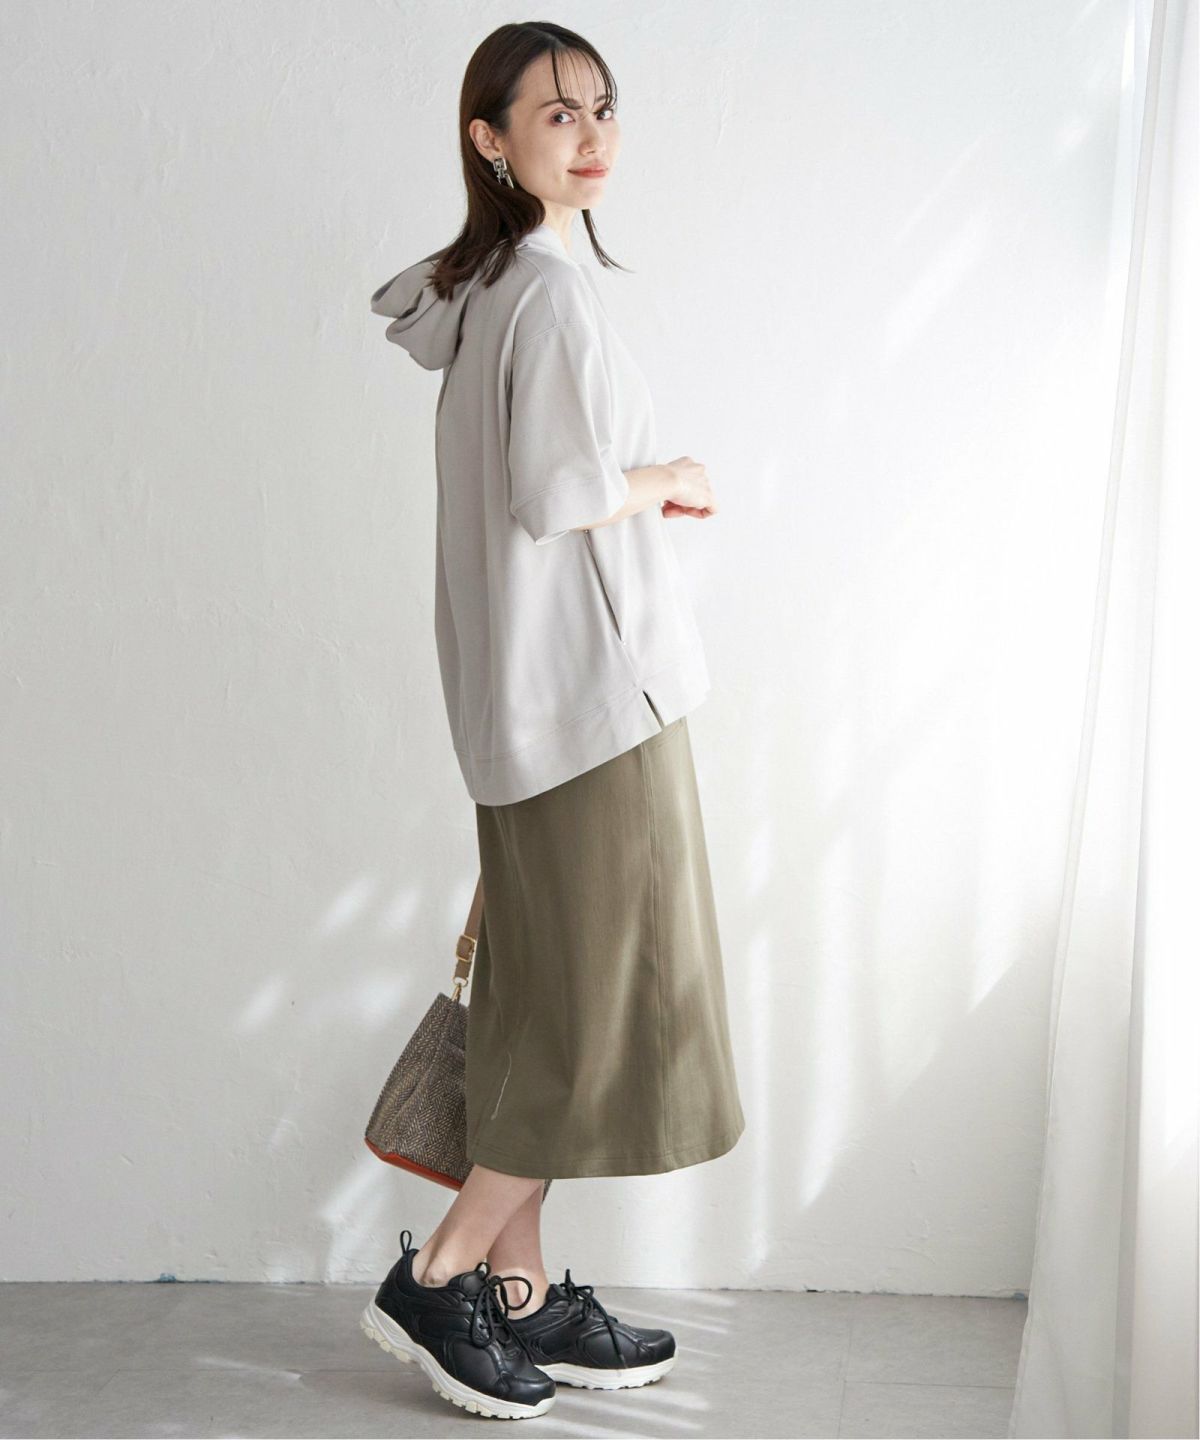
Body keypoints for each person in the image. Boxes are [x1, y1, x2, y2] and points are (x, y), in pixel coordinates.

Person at [360, 21, 746, 1422]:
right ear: (491, 139)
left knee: (535, 1007)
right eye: (555, 113)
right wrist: (670, 476)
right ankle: (442, 1272)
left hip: (524, 713)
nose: (589, 136)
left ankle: (520, 1297)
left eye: (602, 108)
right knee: (594, 1013)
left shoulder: (486, 293)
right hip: (595, 714)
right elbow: (560, 492)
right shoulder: (549, 297)